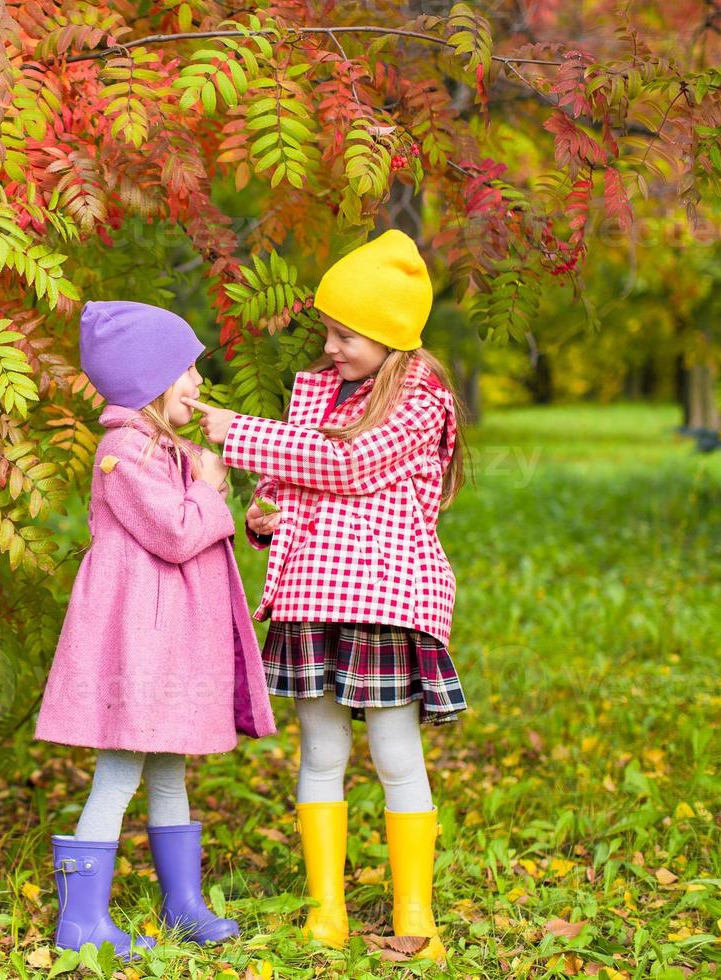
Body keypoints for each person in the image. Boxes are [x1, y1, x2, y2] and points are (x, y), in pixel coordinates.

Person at [184, 230, 469, 964]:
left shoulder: (419, 399)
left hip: (384, 596)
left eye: (347, 335)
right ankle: (326, 911)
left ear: (389, 335)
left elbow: (348, 464)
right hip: (312, 593)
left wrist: (237, 432)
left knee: (395, 750)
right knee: (322, 749)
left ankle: (416, 915)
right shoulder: (315, 387)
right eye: (329, 331)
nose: (333, 346)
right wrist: (263, 514)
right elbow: (294, 481)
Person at [35, 299, 276, 960]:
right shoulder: (123, 452)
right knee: (117, 773)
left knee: (170, 771)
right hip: (138, 647)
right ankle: (81, 923)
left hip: (168, 642)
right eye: (189, 371)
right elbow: (175, 534)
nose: (199, 385)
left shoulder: (164, 448)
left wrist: (223, 491)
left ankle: (183, 907)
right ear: (151, 380)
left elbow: (197, 525)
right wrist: (209, 489)